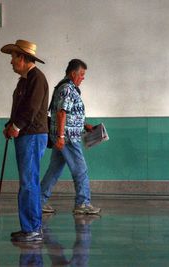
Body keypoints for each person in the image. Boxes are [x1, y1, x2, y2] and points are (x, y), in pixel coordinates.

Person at [0, 40, 49, 242]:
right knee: (28, 182)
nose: (11, 61)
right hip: (26, 135)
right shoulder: (24, 80)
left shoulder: (37, 78)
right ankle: (30, 227)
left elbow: (31, 109)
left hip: (32, 135)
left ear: (22, 58)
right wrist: (10, 124)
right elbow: (20, 109)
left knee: (28, 182)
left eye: (13, 57)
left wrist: (16, 127)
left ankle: (33, 229)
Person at [40, 59, 101, 215]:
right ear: (73, 73)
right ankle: (82, 203)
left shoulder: (66, 87)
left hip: (64, 137)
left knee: (54, 170)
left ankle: (38, 201)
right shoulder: (67, 88)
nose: (83, 77)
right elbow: (61, 113)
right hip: (67, 138)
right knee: (80, 170)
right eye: (81, 74)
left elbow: (69, 113)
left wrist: (83, 125)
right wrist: (61, 136)